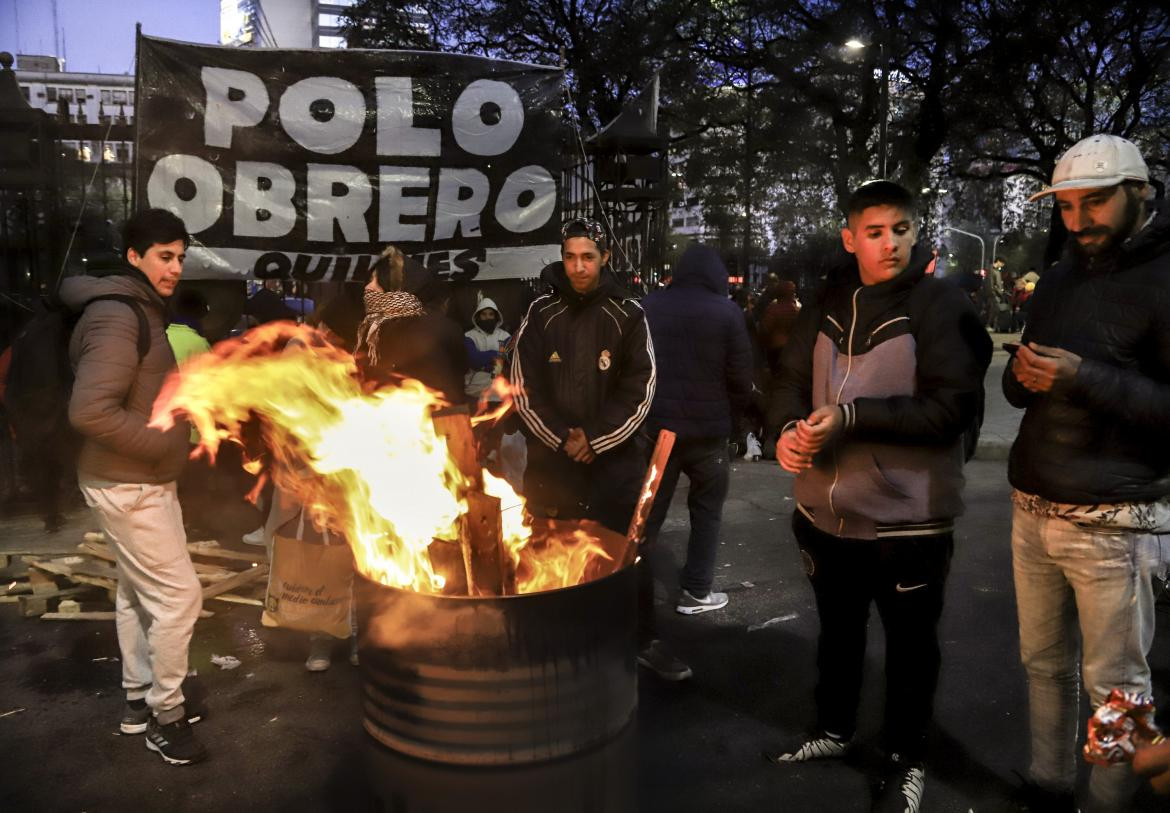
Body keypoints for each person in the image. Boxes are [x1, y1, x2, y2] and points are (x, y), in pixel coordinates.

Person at [764, 181, 991, 813]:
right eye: (874, 231)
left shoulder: (943, 304)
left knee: (911, 650)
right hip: (823, 515)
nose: (889, 244)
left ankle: (906, 757)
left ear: (916, 233)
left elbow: (952, 411)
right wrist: (783, 432)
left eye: (900, 230)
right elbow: (785, 380)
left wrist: (851, 417)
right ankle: (834, 731)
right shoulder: (827, 300)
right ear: (850, 237)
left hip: (908, 522)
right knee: (838, 634)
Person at [1005, 133, 1170, 812]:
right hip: (1034, 503)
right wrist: (1022, 378)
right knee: (1042, 664)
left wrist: (1086, 378)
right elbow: (1025, 391)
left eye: (1094, 204)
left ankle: (1107, 803)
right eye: (1067, 208)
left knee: (1119, 687)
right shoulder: (1065, 270)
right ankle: (1048, 781)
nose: (1078, 223)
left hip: (1116, 515)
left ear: (1141, 192)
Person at [60, 208, 206, 765]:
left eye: (181, 257)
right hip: (127, 482)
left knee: (136, 590)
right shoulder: (120, 315)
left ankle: (137, 700)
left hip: (139, 478)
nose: (175, 268)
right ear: (134, 257)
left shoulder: (136, 308)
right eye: (165, 257)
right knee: (179, 595)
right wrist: (164, 445)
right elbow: (91, 412)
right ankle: (165, 718)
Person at [638, 243, 753, 680]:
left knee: (648, 518)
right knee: (707, 512)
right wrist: (738, 423)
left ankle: (630, 591)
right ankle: (696, 590)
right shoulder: (727, 313)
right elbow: (740, 377)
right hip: (709, 434)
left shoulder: (649, 306)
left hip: (659, 432)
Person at [512, 216, 655, 536]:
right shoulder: (540, 312)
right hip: (551, 476)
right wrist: (564, 437)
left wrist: (593, 439)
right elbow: (522, 389)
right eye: (570, 257)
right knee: (549, 573)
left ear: (605, 257)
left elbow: (640, 391)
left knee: (614, 569)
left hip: (614, 476)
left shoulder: (629, 314)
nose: (578, 267)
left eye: (588, 257)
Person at [356, 245, 467, 405]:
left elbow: (457, 372)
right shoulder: (376, 330)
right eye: (370, 280)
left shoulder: (433, 327)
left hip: (433, 423)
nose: (368, 287)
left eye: (378, 281)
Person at [464, 294, 510, 403]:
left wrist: (484, 363)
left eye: (491, 314)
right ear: (478, 316)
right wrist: (495, 355)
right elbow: (474, 360)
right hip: (474, 388)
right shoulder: (469, 336)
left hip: (500, 386)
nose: (487, 317)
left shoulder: (505, 336)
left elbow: (508, 361)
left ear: (496, 316)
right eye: (484, 314)